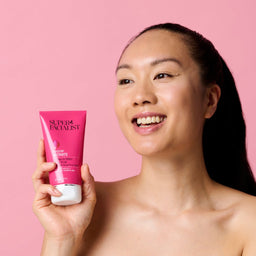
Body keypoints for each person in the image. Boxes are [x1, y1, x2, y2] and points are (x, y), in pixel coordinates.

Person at [32, 23, 256, 255]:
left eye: (162, 75)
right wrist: (61, 239)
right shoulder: (85, 209)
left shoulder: (249, 223)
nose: (140, 97)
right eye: (126, 81)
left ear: (209, 100)